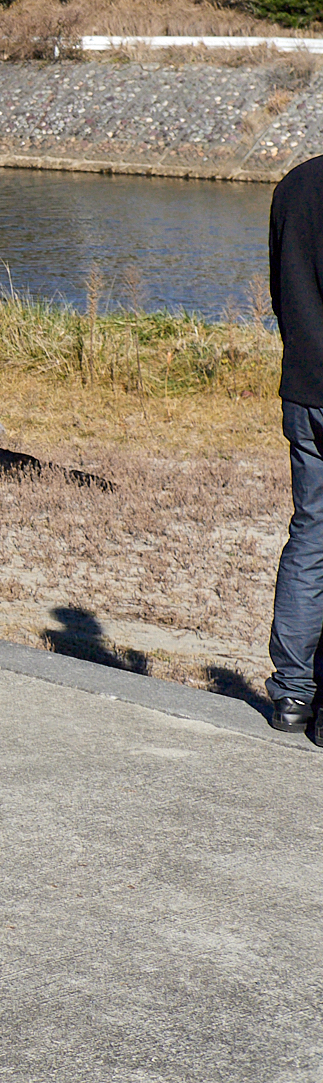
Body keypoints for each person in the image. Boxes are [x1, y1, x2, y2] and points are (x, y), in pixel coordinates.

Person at [266, 151, 323, 741]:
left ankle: (291, 696)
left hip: (304, 387)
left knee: (310, 534)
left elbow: (281, 293)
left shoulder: (295, 185)